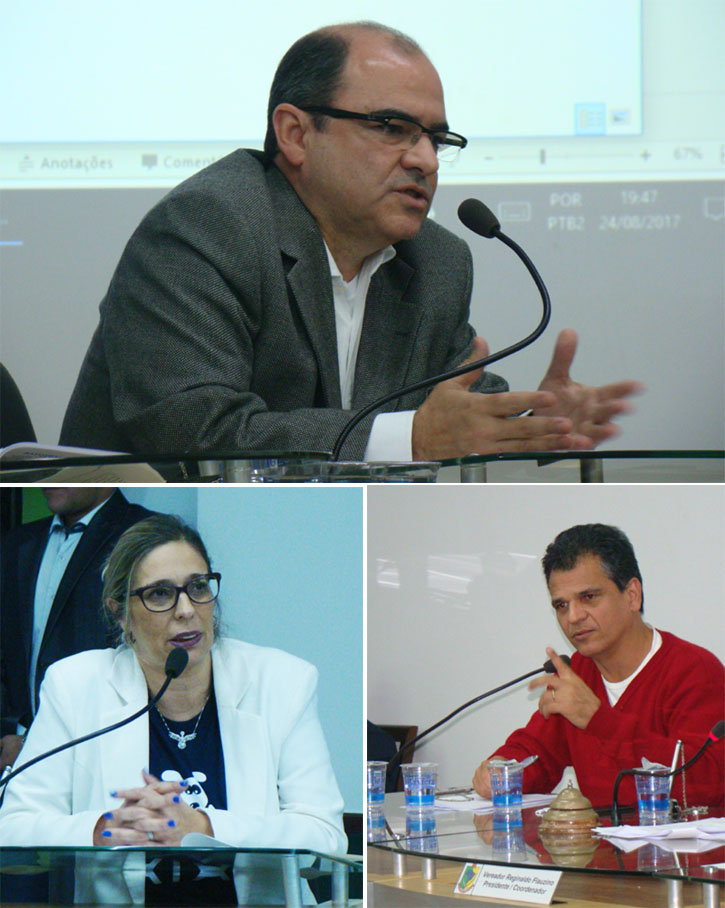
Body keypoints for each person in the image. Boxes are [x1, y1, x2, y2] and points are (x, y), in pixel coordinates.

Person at [59, 22, 640, 462]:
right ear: (295, 134)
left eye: (437, 139)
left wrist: (534, 420)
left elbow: (450, 404)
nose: (426, 160)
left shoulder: (437, 261)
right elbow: (194, 432)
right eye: (392, 128)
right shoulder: (207, 226)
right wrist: (412, 439)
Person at [0, 514, 346, 904]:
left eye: (198, 587)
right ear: (121, 613)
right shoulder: (75, 686)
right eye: (160, 594)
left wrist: (204, 826)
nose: (186, 610)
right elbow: (13, 827)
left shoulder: (282, 682)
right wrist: (101, 829)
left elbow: (325, 835)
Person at [471, 524, 725, 812]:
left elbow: (706, 787)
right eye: (561, 605)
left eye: (588, 597)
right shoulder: (578, 673)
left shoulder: (694, 671)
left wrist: (599, 720)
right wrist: (502, 768)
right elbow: (536, 753)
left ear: (632, 595)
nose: (573, 617)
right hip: (600, 841)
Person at [0, 487, 152, 771]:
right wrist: (9, 731)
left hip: (104, 753)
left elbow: (147, 656)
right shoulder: (17, 542)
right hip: (17, 758)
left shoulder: (146, 535)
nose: (50, 475)